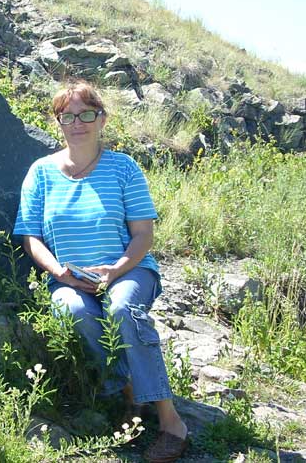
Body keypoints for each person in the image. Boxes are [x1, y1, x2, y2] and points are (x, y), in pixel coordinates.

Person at [13, 82, 188, 463]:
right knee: (73, 311)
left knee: (123, 309)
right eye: (68, 116)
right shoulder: (40, 172)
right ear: (58, 122)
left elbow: (143, 234)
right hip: (67, 278)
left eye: (86, 114)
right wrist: (60, 272)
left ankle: (170, 420)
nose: (77, 123)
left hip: (128, 271)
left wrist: (116, 270)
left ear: (102, 118)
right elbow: (30, 237)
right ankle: (127, 389)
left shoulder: (123, 167)